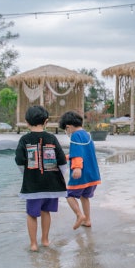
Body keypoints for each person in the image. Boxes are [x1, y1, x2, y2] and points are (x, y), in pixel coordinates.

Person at [15, 105, 68, 251]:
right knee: (46, 212)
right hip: (51, 185)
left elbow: (19, 160)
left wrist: (26, 174)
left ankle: (33, 244)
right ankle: (45, 240)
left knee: (31, 214)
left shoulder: (24, 139)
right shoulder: (52, 138)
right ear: (46, 121)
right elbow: (62, 160)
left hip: (33, 186)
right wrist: (59, 176)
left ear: (27, 122)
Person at [58, 110, 102, 230]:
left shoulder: (75, 136)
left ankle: (79, 215)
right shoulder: (87, 135)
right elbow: (83, 153)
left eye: (65, 130)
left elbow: (77, 153)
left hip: (81, 173)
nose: (66, 132)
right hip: (92, 174)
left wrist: (77, 168)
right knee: (84, 196)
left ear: (68, 127)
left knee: (68, 194)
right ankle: (87, 220)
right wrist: (66, 157)